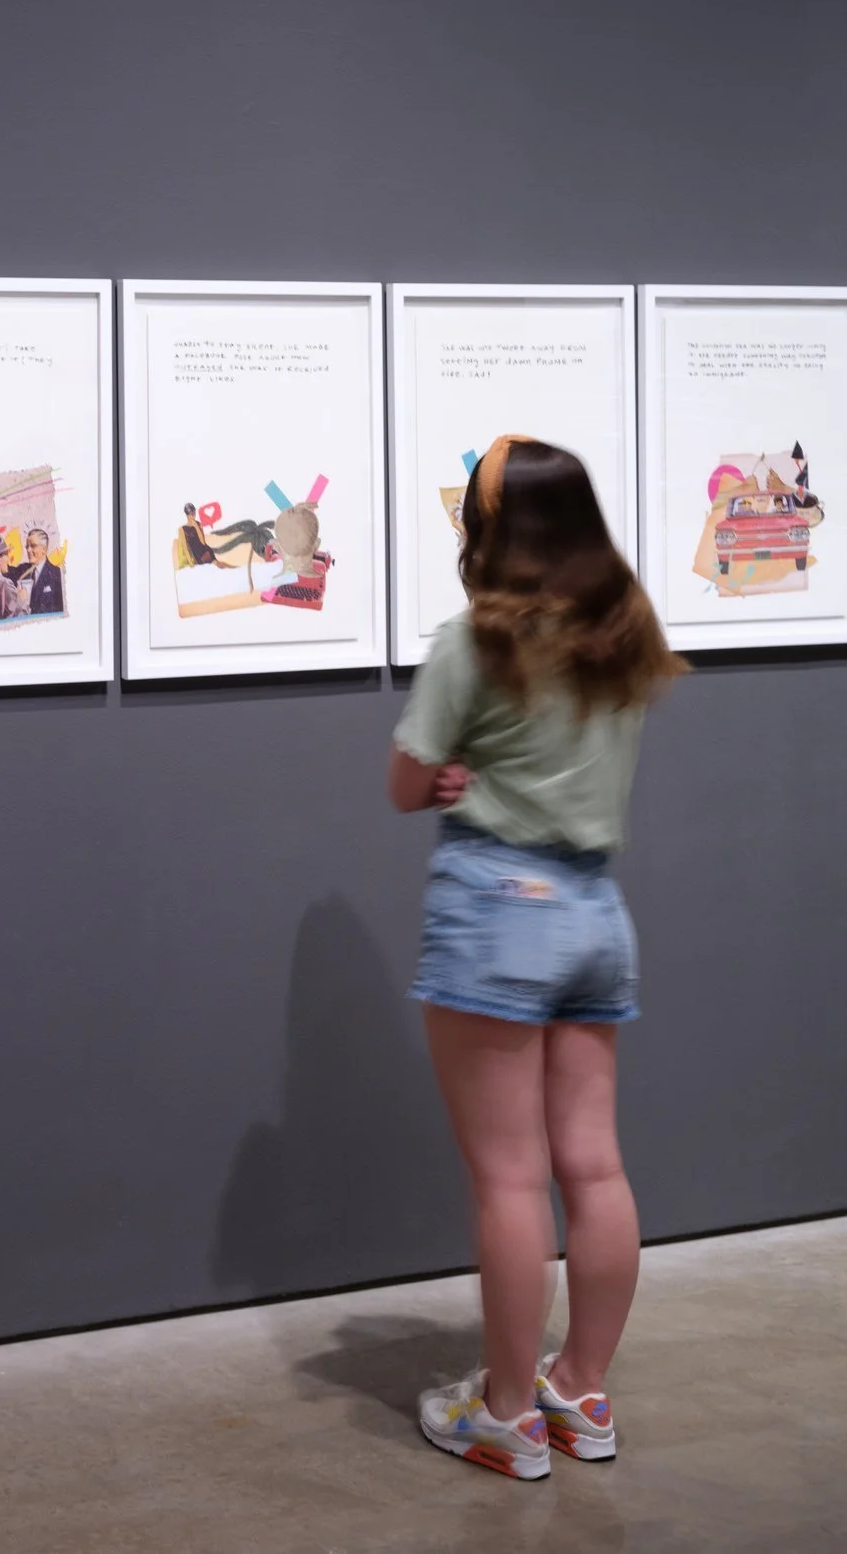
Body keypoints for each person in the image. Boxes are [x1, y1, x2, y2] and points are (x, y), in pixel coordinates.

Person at [388, 436, 684, 1481]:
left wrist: (450, 771)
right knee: (593, 1165)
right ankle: (581, 1390)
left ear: (490, 527)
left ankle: (506, 1414)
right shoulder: (624, 630)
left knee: (510, 1179)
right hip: (596, 913)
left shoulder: (473, 640)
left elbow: (405, 782)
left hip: (498, 909)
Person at [9, 528, 64, 614]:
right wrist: (18, 602)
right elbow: (10, 608)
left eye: (33, 546)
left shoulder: (57, 574)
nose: (28, 550)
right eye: (27, 547)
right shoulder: (22, 570)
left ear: (44, 549)